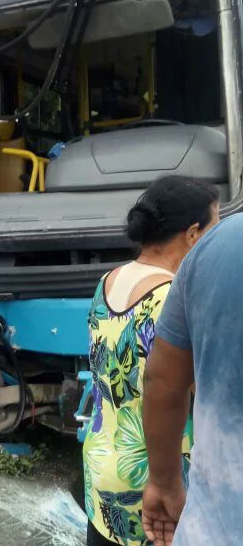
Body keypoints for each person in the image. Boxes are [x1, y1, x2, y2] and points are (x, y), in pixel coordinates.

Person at [83, 175, 219, 546]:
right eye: (214, 230)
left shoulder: (107, 280)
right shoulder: (176, 297)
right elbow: (203, 389)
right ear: (193, 234)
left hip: (101, 463)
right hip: (158, 478)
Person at [142, 212, 243, 546]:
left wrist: (164, 479)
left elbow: (161, 381)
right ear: (190, 232)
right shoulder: (159, 288)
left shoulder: (214, 248)